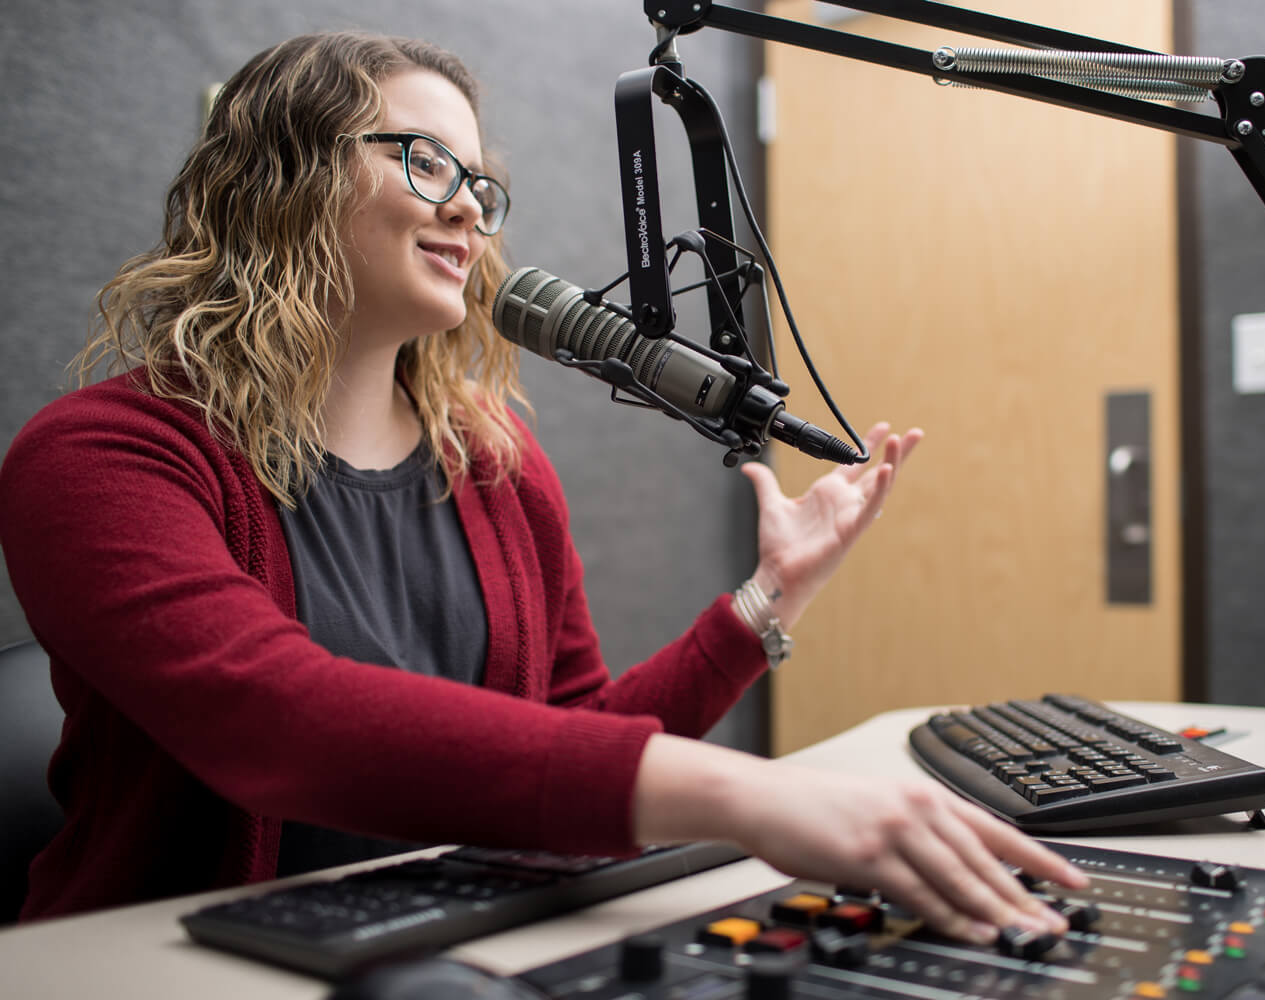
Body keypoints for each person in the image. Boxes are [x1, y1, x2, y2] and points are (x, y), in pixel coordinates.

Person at [0, 31, 1085, 939]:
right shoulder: (102, 457)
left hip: (444, 940)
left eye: (480, 182)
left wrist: (763, 606)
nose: (471, 211)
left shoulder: (495, 469)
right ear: (283, 179)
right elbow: (275, 723)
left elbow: (567, 737)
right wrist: (750, 796)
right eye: (427, 162)